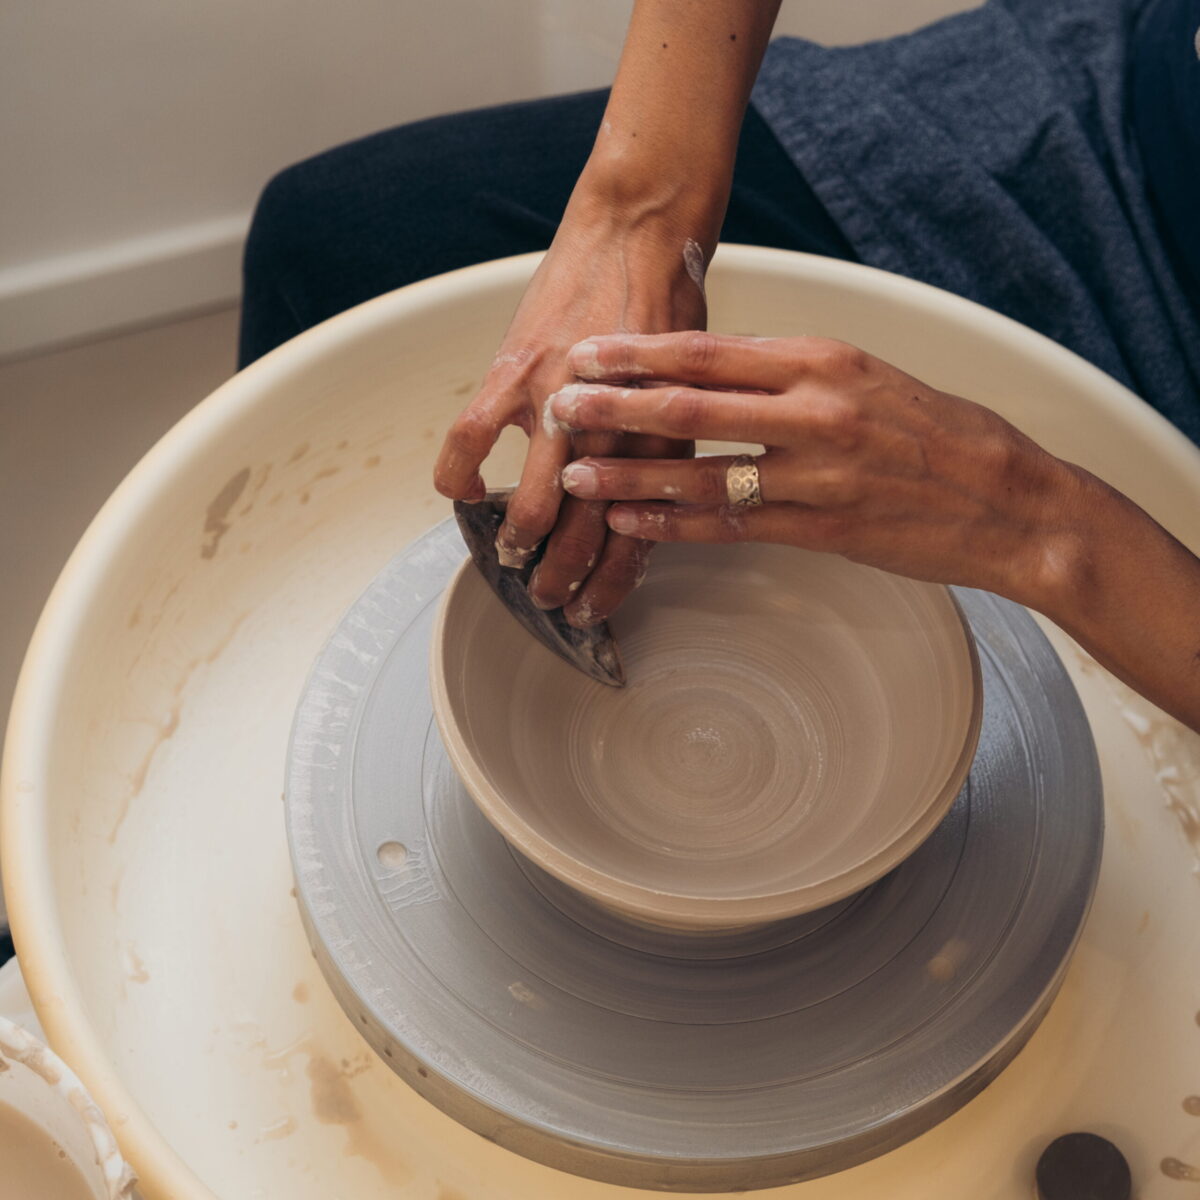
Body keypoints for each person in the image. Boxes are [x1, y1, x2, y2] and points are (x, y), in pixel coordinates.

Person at [239, 0, 1200, 730]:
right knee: (328, 239)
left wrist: (1040, 524)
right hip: (1128, 114)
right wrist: (644, 210)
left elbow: (1049, 526)